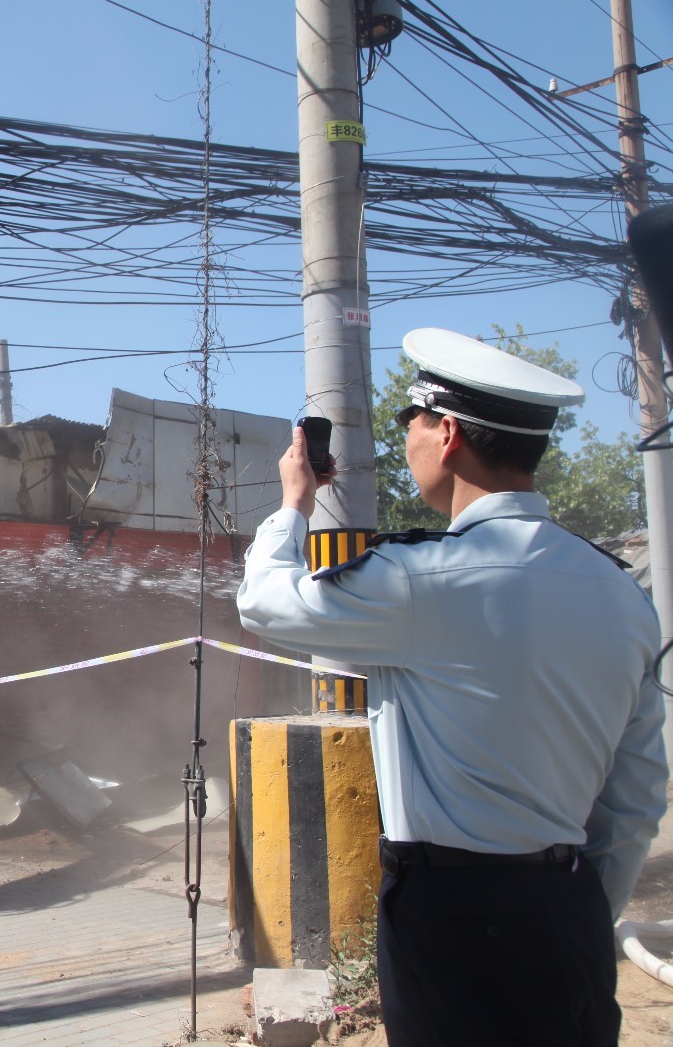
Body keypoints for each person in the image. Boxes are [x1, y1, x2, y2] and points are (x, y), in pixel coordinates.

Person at [236, 327, 668, 1046]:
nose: (405, 440)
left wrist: (294, 505)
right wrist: (582, 912)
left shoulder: (420, 579)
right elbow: (637, 799)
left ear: (449, 433)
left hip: (450, 921)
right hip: (571, 915)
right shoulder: (620, 593)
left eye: (411, 420)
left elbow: (264, 603)